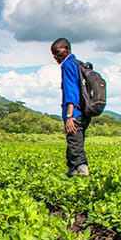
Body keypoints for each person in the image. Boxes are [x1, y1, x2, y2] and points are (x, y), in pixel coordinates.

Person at [52, 37, 90, 177]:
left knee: (75, 148)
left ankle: (81, 174)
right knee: (74, 145)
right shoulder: (79, 64)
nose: (56, 57)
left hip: (74, 114)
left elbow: (71, 93)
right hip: (83, 113)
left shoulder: (68, 65)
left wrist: (69, 117)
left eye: (58, 52)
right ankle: (72, 173)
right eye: (53, 55)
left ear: (67, 49)